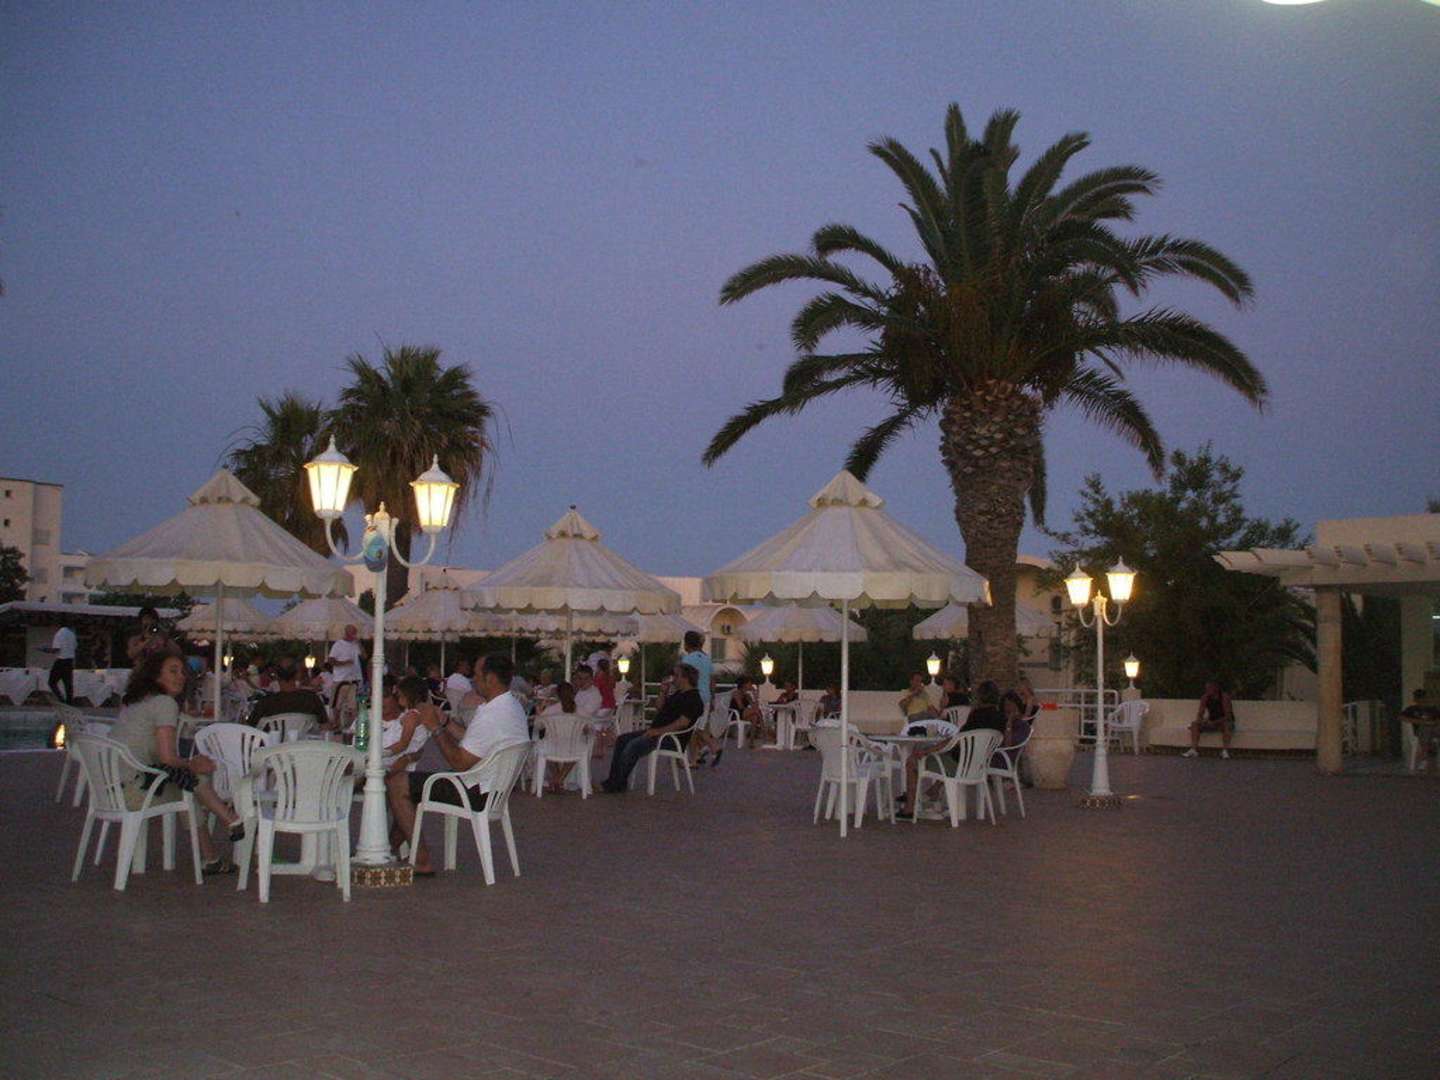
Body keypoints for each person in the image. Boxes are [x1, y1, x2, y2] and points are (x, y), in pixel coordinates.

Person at [388, 654, 530, 876]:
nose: (473, 680)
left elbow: (460, 762)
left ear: (491, 679)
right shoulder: (511, 707)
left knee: (398, 783)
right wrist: (444, 721)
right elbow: (473, 741)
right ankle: (390, 848)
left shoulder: (493, 714)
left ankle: (421, 859)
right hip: (492, 788)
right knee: (411, 784)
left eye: (477, 675)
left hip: (475, 789)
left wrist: (435, 728)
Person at [107, 652, 243, 874]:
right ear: (155, 675)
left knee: (188, 782)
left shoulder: (135, 701)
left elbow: (160, 759)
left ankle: (214, 853)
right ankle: (228, 819)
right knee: (191, 782)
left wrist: (189, 765)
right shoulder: (164, 703)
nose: (181, 676)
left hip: (111, 789)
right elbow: (167, 758)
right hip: (133, 791)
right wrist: (193, 764)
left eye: (182, 672)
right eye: (173, 671)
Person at [600, 663, 705, 793]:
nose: (673, 678)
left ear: (685, 678)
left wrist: (657, 731)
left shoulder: (693, 698)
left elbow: (682, 723)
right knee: (622, 740)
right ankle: (615, 781)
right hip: (657, 732)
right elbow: (659, 707)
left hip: (671, 737)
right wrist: (663, 691)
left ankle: (616, 784)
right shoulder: (678, 694)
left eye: (676, 675)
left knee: (633, 746)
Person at [248, 659, 329, 731]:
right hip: (304, 743)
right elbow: (325, 726)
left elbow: (249, 729)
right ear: (297, 675)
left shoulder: (265, 703)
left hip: (273, 743)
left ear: (276, 676)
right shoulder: (312, 699)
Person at [535, 680, 583, 793]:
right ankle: (559, 779)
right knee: (578, 748)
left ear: (557, 695)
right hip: (572, 748)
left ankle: (556, 780)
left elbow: (538, 726)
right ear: (573, 694)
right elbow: (589, 726)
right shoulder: (580, 710)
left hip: (552, 747)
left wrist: (539, 713)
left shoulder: (551, 710)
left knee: (546, 746)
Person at [383, 676, 435, 775]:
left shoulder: (412, 716)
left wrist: (382, 753)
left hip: (393, 755)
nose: (398, 697)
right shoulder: (413, 714)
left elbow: (403, 744)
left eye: (401, 695)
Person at [327, 624, 366, 730]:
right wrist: (344, 663)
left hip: (354, 679)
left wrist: (359, 643)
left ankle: (351, 727)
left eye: (355, 633)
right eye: (352, 633)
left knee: (353, 706)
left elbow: (364, 656)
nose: (354, 635)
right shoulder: (338, 644)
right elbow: (331, 660)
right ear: (347, 633)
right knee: (337, 704)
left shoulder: (355, 645)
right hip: (341, 679)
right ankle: (336, 724)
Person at [1185, 681, 1234, 758]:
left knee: (1227, 725)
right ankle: (1193, 750)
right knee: (1194, 724)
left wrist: (1214, 722)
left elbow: (1228, 716)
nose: (1207, 690)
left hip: (1223, 721)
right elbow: (1200, 713)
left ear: (1216, 688)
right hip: (1211, 721)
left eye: (1210, 688)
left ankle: (1225, 751)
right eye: (1207, 688)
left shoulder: (1224, 697)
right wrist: (1201, 721)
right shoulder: (1205, 697)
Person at [1398, 689, 1440, 771]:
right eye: (1419, 698)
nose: (1421, 700)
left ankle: (1429, 752)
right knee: (1426, 729)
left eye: (1423, 698)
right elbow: (1401, 717)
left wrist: (1433, 722)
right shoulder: (1412, 709)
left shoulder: (1432, 709)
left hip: (1434, 729)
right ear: (1415, 699)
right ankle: (1424, 759)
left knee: (1430, 729)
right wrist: (1420, 722)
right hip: (1420, 731)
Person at [41, 621, 77, 704]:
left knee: (52, 682)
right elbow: (75, 647)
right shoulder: (72, 634)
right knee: (68, 683)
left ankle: (61, 699)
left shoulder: (59, 634)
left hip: (61, 660)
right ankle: (69, 701)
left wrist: (44, 649)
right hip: (70, 661)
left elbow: (56, 649)